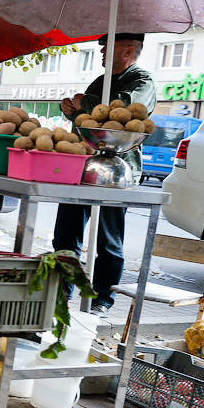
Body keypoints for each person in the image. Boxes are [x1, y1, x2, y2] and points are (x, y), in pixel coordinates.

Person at [53, 33, 156, 318]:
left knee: (109, 241)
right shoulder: (100, 81)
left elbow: (121, 110)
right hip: (85, 163)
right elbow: (88, 120)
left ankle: (102, 300)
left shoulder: (142, 81)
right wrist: (71, 111)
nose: (101, 52)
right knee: (65, 235)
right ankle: (60, 293)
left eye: (107, 47)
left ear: (129, 50)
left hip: (118, 168)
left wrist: (85, 102)